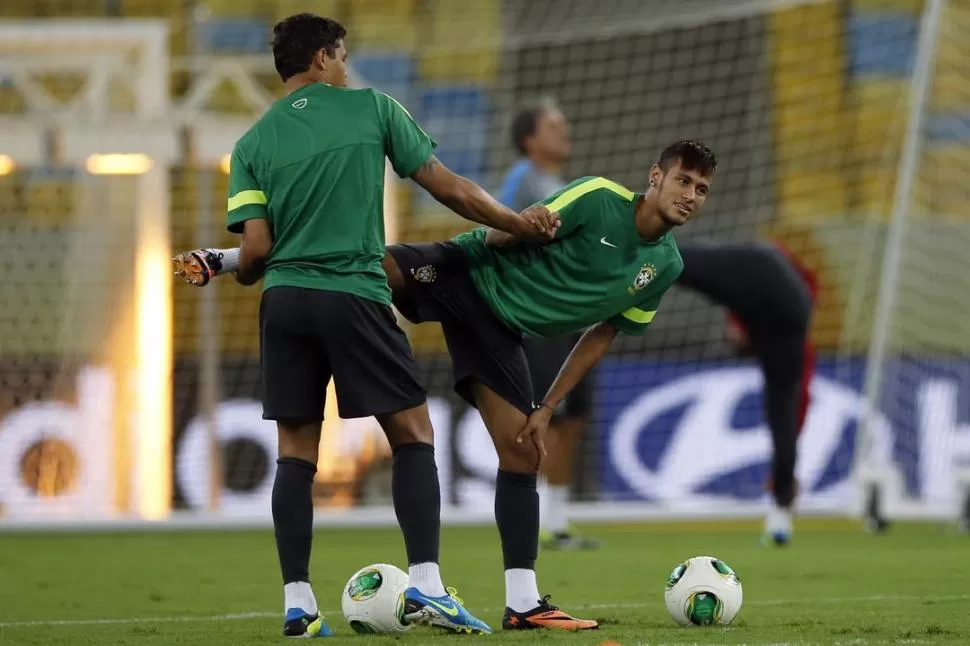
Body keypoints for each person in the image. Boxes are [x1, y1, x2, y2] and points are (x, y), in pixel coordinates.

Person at [175, 139, 718, 631]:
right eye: (683, 181)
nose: (690, 195)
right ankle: (229, 257)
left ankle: (523, 604)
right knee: (367, 262)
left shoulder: (664, 266)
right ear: (655, 176)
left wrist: (548, 406)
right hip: (469, 271)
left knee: (524, 453)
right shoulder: (599, 198)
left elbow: (602, 336)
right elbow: (506, 233)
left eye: (701, 189)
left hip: (501, 329)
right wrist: (522, 224)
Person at [202, 13, 558, 638]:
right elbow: (446, 187)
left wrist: (238, 269)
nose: (346, 67)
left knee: (295, 451)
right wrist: (515, 221)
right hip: (353, 292)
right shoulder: (370, 108)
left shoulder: (252, 145)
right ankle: (425, 586)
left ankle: (299, 603)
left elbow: (254, 251)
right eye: (340, 56)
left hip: (283, 302)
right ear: (319, 59)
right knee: (414, 433)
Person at [497, 98, 598, 550]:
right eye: (555, 125)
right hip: (538, 318)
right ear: (530, 140)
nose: (566, 131)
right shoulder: (522, 179)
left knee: (573, 417)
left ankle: (556, 523)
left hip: (570, 319)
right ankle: (533, 518)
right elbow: (498, 231)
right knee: (544, 419)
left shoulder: (558, 183)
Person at [676, 239, 815, 545]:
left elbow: (796, 405)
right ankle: (780, 514)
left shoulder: (784, 327)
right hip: (769, 273)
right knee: (782, 413)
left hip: (765, 271)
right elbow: (793, 410)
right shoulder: (785, 319)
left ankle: (781, 508)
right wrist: (785, 469)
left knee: (674, 262)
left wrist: (785, 467)